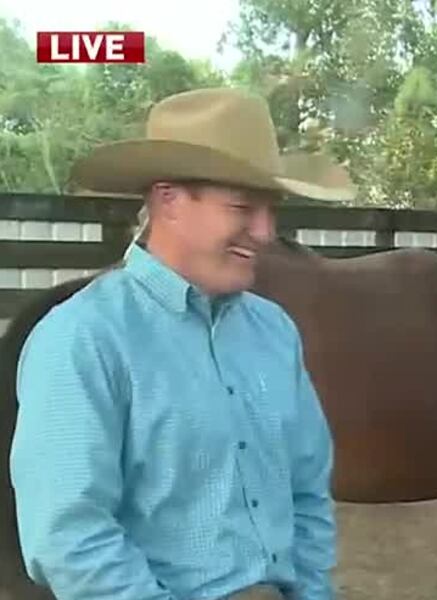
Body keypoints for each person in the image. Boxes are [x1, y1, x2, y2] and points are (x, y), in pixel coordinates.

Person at [10, 87, 356, 599]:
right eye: (242, 207)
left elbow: (307, 493)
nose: (264, 232)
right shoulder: (82, 340)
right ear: (169, 201)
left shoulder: (274, 332)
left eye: (271, 210)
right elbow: (70, 538)